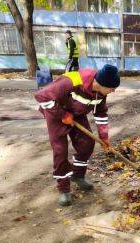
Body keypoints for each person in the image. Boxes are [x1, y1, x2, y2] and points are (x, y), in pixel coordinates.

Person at [34, 65, 120, 206]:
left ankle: (78, 175)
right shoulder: (72, 80)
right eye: (111, 88)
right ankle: (64, 189)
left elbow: (100, 113)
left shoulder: (101, 93)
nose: (113, 91)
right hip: (56, 113)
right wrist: (62, 115)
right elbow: (42, 96)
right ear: (100, 84)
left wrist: (104, 137)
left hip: (76, 114)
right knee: (60, 150)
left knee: (86, 144)